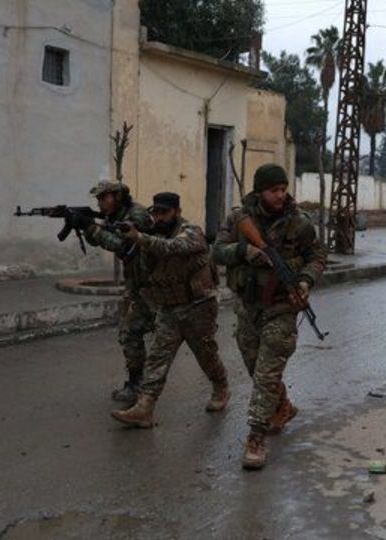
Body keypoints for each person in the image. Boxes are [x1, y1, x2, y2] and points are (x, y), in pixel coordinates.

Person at [213, 164, 326, 470]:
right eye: (274, 190)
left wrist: (305, 281)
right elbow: (216, 251)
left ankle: (256, 437)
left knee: (265, 376)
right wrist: (244, 251)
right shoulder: (239, 219)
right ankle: (283, 406)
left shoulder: (299, 223)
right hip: (248, 307)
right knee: (255, 366)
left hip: (282, 309)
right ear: (260, 191)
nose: (281, 195)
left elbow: (317, 256)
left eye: (283, 189)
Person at [110, 192, 230, 428]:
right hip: (169, 309)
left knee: (206, 355)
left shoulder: (191, 232)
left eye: (164, 212)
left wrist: (141, 238)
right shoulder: (153, 237)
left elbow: (173, 247)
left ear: (177, 212)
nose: (159, 217)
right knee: (157, 358)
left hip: (198, 307)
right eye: (155, 212)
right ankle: (144, 408)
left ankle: (221, 387)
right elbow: (139, 266)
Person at [81, 181, 154, 404]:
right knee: (129, 333)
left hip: (157, 285)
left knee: (186, 338)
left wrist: (93, 228)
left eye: (103, 198)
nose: (100, 203)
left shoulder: (137, 215)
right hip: (137, 285)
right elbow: (99, 240)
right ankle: (136, 384)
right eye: (98, 199)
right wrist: (84, 225)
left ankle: (219, 383)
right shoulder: (113, 216)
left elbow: (121, 245)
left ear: (118, 196)